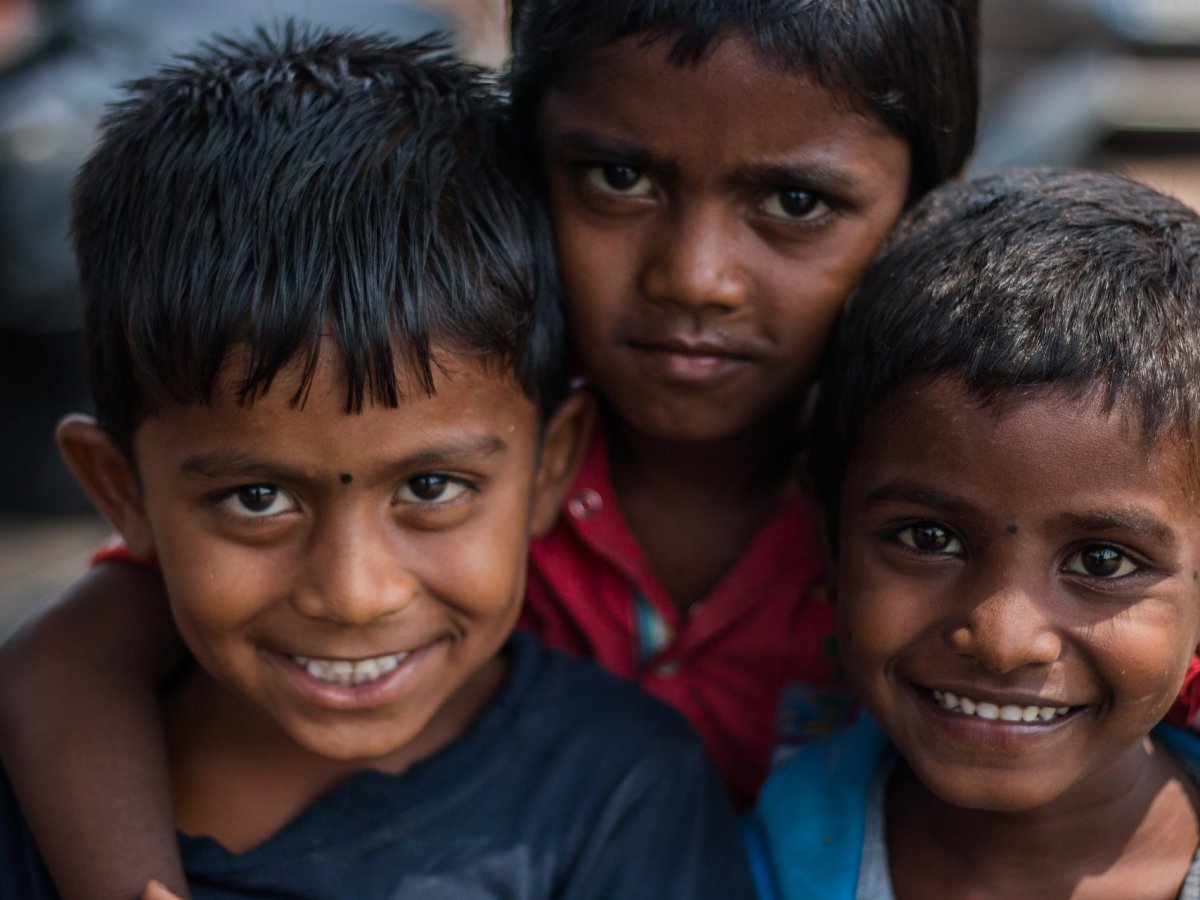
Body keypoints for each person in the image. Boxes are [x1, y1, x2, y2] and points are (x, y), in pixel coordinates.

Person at [1, 0, 985, 893]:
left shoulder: (949, 503)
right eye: (619, 177)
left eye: (797, 203)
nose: (697, 277)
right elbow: (69, 661)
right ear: (526, 157)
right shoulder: (423, 417)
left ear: (931, 206)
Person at [746, 166, 1200, 899]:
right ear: (827, 536)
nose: (1003, 640)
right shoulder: (736, 864)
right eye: (929, 539)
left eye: (1102, 560)